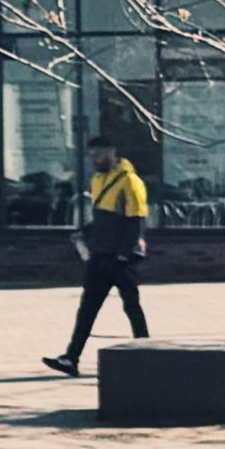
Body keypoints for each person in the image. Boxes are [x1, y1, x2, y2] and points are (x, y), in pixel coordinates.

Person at [44, 140, 152, 376]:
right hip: (100, 255)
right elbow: (104, 219)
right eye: (92, 155)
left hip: (120, 257)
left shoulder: (130, 182)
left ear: (113, 153)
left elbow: (136, 221)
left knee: (131, 305)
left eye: (99, 155)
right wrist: (86, 232)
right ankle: (71, 358)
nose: (94, 160)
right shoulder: (97, 181)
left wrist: (124, 254)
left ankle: (147, 352)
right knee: (87, 308)